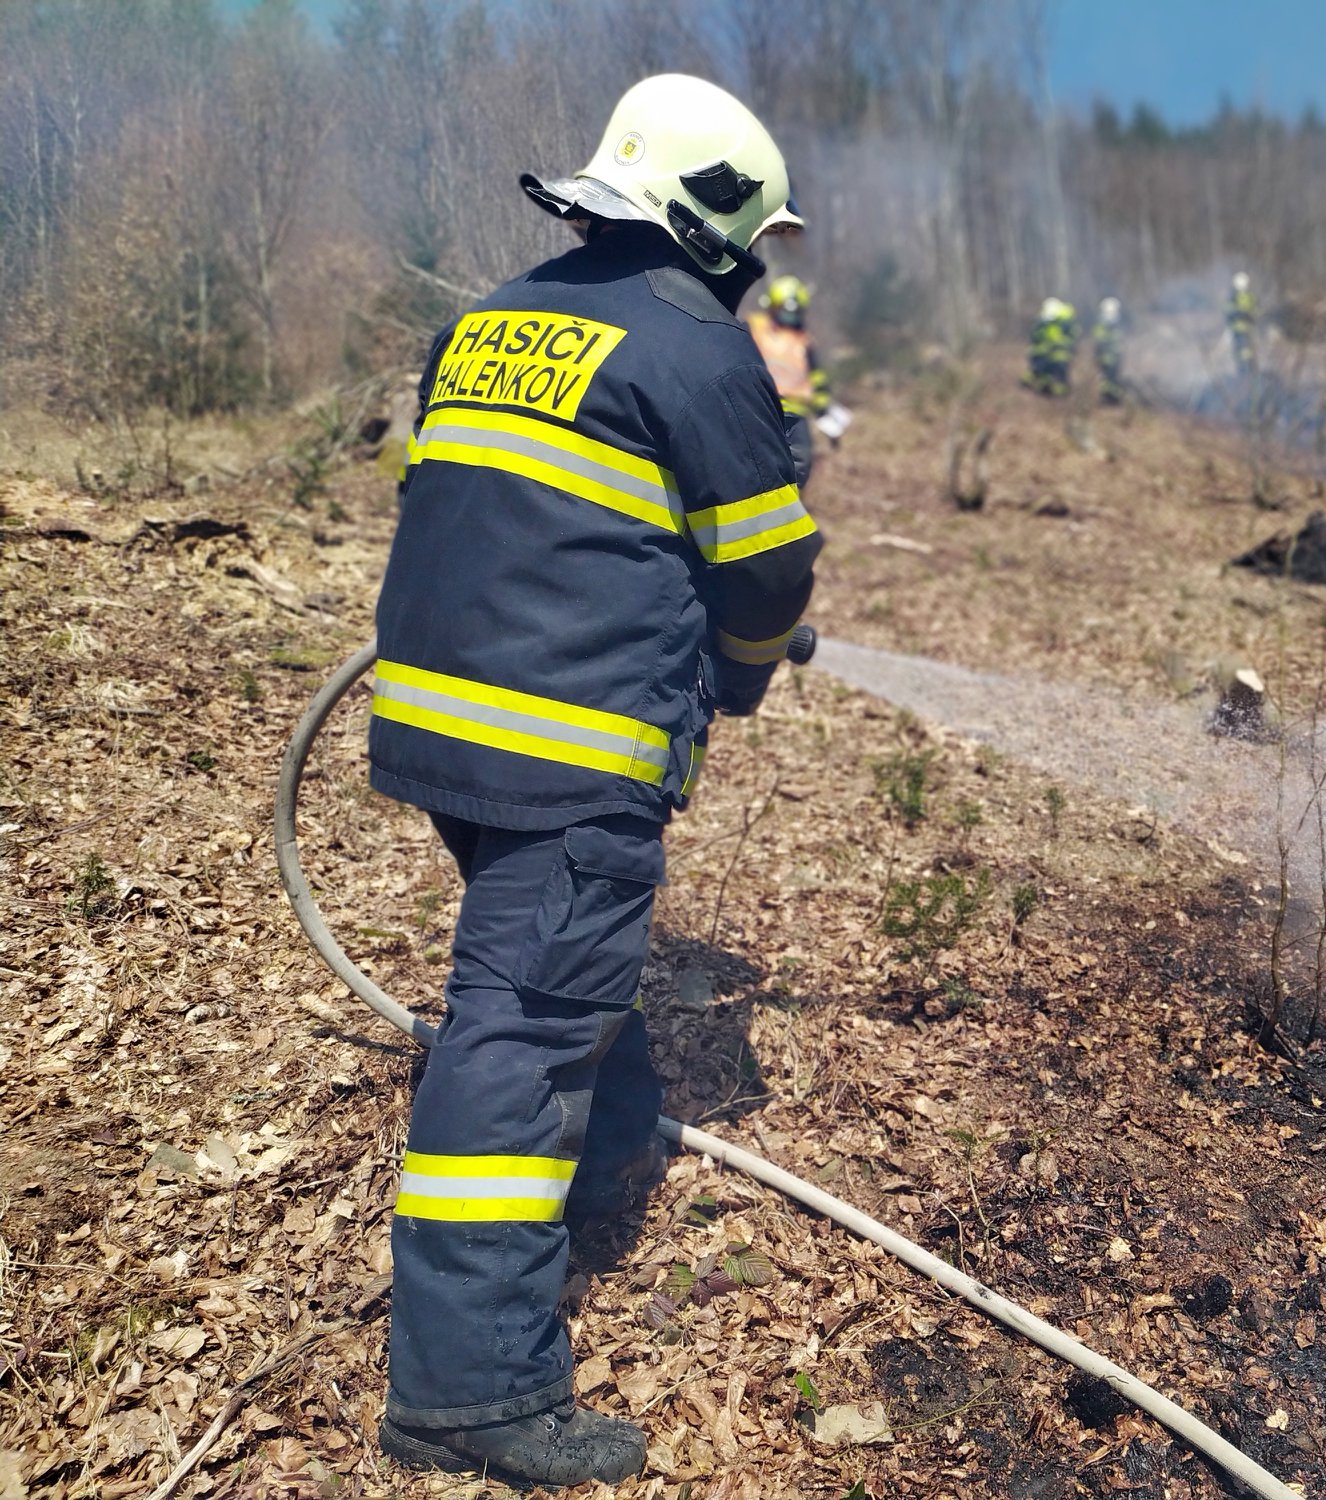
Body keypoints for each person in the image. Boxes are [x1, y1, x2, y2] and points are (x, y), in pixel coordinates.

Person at [369, 74, 820, 1488]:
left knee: (548, 967)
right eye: (755, 242)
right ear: (715, 222)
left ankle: (613, 1142)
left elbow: (515, 509)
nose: (758, 270)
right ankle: (472, 1390)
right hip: (569, 753)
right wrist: (742, 672)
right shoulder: (697, 351)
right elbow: (767, 571)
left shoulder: (494, 315)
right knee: (515, 1028)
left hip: (448, 733)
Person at [746, 273, 832, 486]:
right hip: (761, 407)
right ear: (772, 306)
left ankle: (792, 504)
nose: (789, 318)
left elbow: (816, 376)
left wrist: (824, 411)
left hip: (797, 413)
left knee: (800, 463)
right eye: (785, 310)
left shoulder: (804, 340)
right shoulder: (755, 328)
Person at [1024, 296, 1077, 395]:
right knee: (1045, 371)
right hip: (1048, 353)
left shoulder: (1064, 323)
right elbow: (1037, 337)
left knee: (1060, 373)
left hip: (1061, 354)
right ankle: (1046, 389)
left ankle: (1061, 393)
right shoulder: (1044, 323)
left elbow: (1070, 338)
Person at [1092, 296, 1125, 405]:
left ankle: (1110, 398)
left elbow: (1099, 341)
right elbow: (1101, 341)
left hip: (1110, 355)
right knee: (1110, 378)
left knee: (1108, 378)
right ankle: (1110, 399)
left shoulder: (1105, 323)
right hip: (1110, 356)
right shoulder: (1111, 323)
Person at [1227, 271, 1258, 373]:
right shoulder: (1233, 297)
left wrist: (1252, 316)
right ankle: (1242, 369)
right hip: (1238, 329)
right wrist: (1240, 314)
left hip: (1248, 328)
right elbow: (1229, 311)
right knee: (1241, 351)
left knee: (1249, 351)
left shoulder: (1250, 296)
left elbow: (1256, 309)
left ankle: (1250, 369)